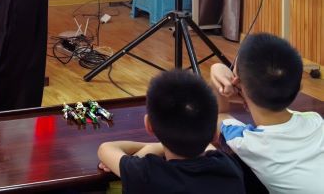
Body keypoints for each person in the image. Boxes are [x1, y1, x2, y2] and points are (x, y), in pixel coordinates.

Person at [210, 32, 323, 194]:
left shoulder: (247, 142)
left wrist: (217, 70)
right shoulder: (315, 120)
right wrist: (247, 96)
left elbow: (219, 116)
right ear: (298, 87)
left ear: (236, 82)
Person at [97, 69, 244, 194]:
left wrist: (153, 147)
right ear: (215, 134)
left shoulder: (146, 174)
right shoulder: (229, 167)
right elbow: (209, 147)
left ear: (149, 125)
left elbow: (105, 149)